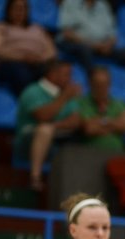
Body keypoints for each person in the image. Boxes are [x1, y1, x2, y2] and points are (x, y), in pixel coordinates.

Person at [15, 61, 82, 191]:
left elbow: (75, 121)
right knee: (45, 130)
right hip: (27, 143)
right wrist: (63, 98)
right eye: (66, 75)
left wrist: (53, 126)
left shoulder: (65, 93)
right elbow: (43, 116)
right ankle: (35, 177)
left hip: (56, 140)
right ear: (52, 74)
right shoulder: (33, 91)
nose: (70, 79)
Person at [0, 0, 56, 97]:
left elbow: (51, 52)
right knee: (20, 72)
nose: (19, 11)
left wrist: (39, 59)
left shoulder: (38, 29)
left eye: (23, 8)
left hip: (37, 62)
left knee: (55, 71)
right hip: (9, 63)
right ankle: (30, 104)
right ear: (8, 10)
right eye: (16, 8)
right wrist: (22, 57)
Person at [57, 0, 125, 73]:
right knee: (85, 50)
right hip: (76, 44)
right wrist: (93, 45)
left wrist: (108, 45)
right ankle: (92, 81)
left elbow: (112, 33)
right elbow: (67, 33)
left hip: (102, 46)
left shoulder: (103, 5)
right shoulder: (70, 3)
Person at [77, 66, 125, 154]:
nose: (102, 89)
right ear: (90, 84)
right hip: (89, 155)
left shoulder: (119, 103)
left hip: (117, 154)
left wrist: (102, 122)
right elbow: (89, 128)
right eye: (98, 85)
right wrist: (115, 124)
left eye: (105, 84)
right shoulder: (81, 103)